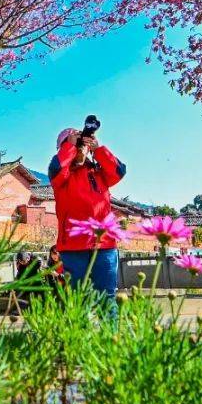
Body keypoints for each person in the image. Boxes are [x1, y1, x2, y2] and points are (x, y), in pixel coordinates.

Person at [49, 126, 127, 307]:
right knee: (78, 300)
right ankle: (81, 335)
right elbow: (57, 168)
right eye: (75, 142)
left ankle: (110, 336)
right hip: (73, 248)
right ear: (63, 148)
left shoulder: (99, 173)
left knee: (107, 298)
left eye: (80, 142)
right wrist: (69, 146)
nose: (79, 146)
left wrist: (97, 149)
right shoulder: (61, 177)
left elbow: (119, 171)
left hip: (104, 245)